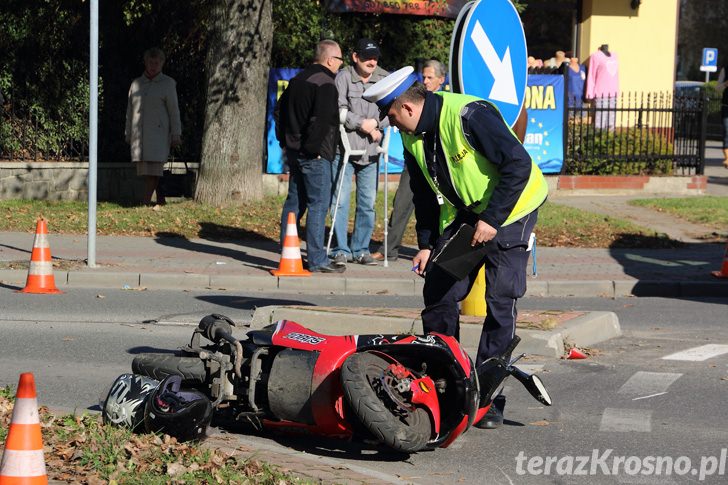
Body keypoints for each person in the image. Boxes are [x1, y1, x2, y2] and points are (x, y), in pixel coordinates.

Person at [363, 66, 548, 429]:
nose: (392, 125)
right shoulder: (412, 136)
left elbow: (518, 164)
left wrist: (492, 219)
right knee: (440, 286)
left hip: (513, 208)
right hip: (472, 212)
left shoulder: (469, 115)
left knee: (500, 298)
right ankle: (446, 378)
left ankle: (488, 396)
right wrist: (428, 245)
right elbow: (423, 196)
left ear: (409, 108)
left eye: (393, 117)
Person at [275, 39, 345, 273]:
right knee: (318, 204)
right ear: (329, 59)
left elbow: (279, 111)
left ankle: (287, 250)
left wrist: (286, 142)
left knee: (294, 203)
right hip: (314, 155)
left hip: (295, 152)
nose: (340, 65)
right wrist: (313, 150)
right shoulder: (325, 83)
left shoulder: (298, 80)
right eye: (340, 60)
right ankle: (317, 260)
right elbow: (322, 121)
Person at [372, 59, 446, 262]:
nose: (426, 81)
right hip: (417, 163)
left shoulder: (445, 104)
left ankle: (440, 248)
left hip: (440, 166)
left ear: (441, 79)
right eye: (424, 77)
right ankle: (389, 248)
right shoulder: (412, 103)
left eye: (430, 77)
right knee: (403, 202)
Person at [330, 39, 389, 267]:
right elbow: (338, 109)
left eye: (375, 57)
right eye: (366, 57)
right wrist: (361, 124)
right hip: (344, 150)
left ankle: (361, 249)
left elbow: (390, 110)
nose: (371, 61)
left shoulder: (383, 79)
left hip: (371, 153)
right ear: (355, 57)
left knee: (367, 203)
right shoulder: (344, 77)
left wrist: (375, 123)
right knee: (340, 202)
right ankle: (340, 249)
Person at [125, 47, 182, 206]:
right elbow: (130, 111)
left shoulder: (168, 84)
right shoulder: (136, 84)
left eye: (157, 63)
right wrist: (128, 133)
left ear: (162, 64)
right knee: (147, 170)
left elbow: (174, 111)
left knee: (154, 169)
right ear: (145, 62)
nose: (153, 66)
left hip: (159, 134)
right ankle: (161, 200)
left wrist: (176, 133)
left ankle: (145, 201)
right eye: (151, 62)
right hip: (140, 134)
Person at [586, 44, 619, 130]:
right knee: (600, 121)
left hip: (613, 93)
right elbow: (591, 75)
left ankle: (610, 140)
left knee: (611, 121)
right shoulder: (595, 56)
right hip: (601, 93)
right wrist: (589, 93)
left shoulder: (615, 56)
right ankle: (598, 139)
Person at [718, 66, 728, 169]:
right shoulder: (725, 70)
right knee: (727, 132)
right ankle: (727, 158)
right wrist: (725, 84)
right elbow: (717, 88)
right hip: (726, 107)